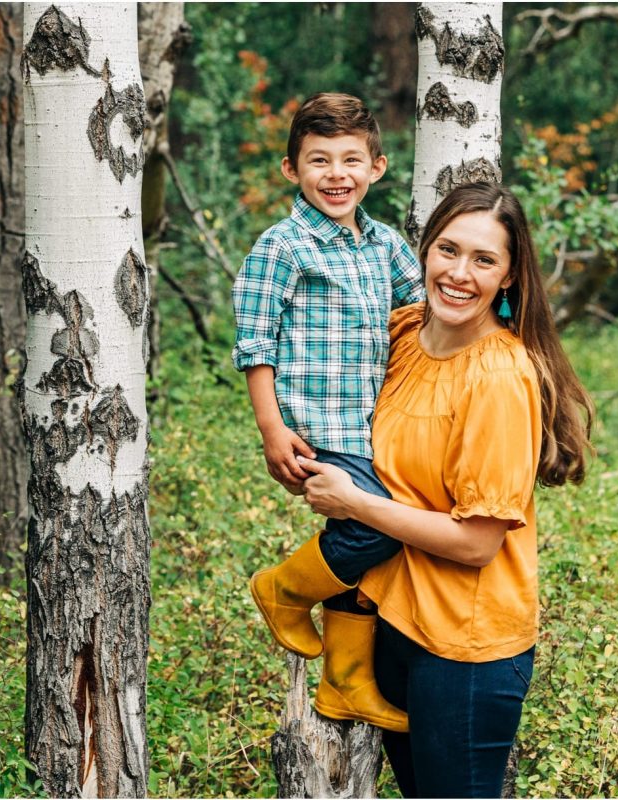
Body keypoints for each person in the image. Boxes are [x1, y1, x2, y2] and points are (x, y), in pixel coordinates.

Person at [300, 182, 594, 797]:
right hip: (394, 624)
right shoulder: (403, 336)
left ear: (510, 277)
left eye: (484, 260)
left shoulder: (498, 378)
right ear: (424, 251)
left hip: (464, 650)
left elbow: (477, 544)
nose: (460, 274)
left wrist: (353, 504)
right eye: (447, 250)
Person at [232, 92, 423, 732]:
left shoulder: (385, 245)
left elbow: (424, 309)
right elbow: (255, 341)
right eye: (319, 160)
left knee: (366, 551)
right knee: (379, 529)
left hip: (377, 429)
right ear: (291, 170)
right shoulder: (282, 246)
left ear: (378, 166)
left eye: (350, 159)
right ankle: (283, 589)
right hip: (317, 430)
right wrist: (271, 428)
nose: (336, 174)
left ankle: (344, 682)